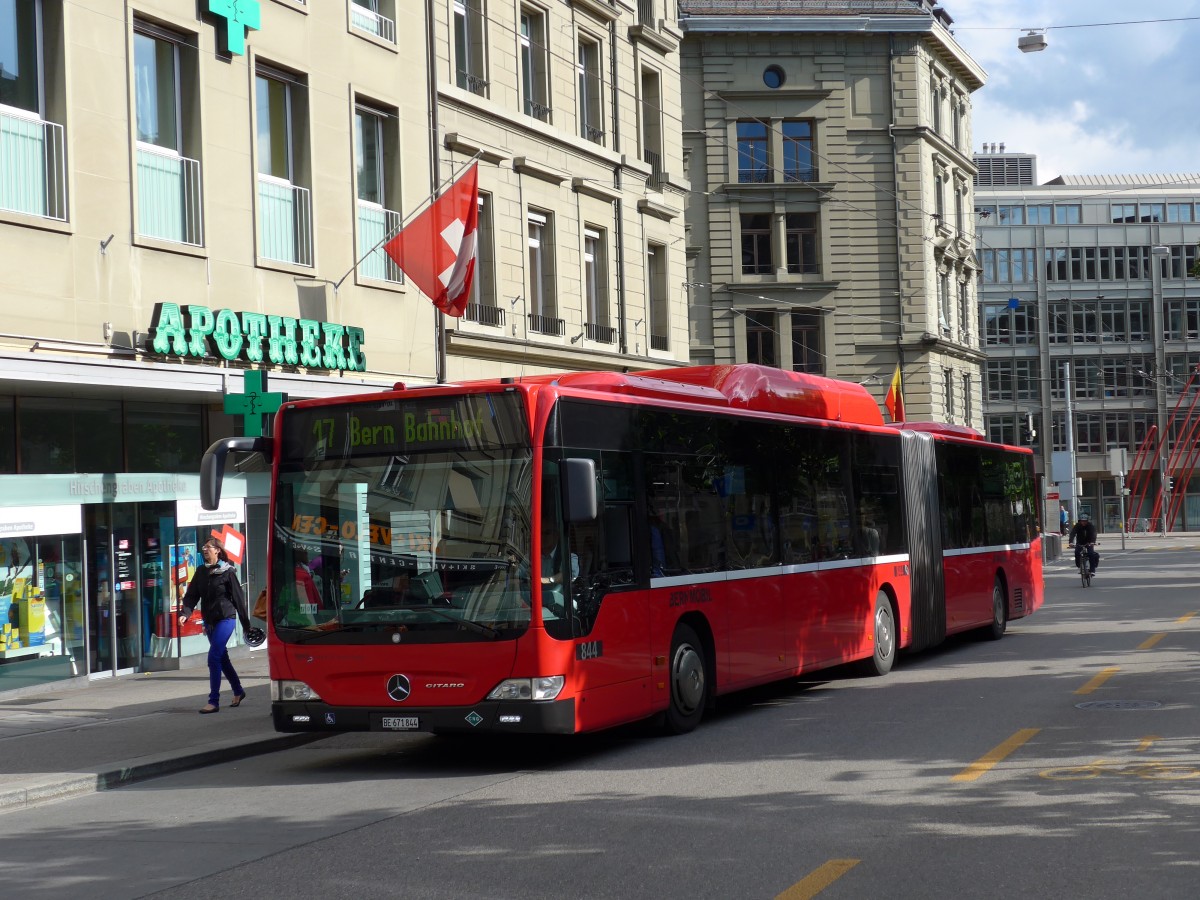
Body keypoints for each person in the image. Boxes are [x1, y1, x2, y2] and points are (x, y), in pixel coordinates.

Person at [178, 537, 251, 714]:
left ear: (217, 550)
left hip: (227, 618)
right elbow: (191, 595)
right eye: (203, 547)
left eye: (208, 547)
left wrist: (246, 626)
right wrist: (185, 613)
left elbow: (239, 600)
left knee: (213, 657)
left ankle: (213, 701)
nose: (205, 550)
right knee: (222, 658)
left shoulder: (228, 572)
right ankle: (238, 691)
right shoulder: (201, 572)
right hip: (210, 621)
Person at [1068, 512, 1099, 576]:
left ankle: (1092, 570)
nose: (1083, 522)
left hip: (1089, 542)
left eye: (1085, 521)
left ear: (1087, 521)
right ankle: (1079, 566)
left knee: (1091, 554)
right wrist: (1071, 542)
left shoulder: (1090, 526)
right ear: (1080, 521)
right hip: (1080, 542)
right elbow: (1073, 533)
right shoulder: (1077, 525)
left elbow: (1094, 534)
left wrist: (1092, 542)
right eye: (1082, 521)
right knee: (1077, 552)